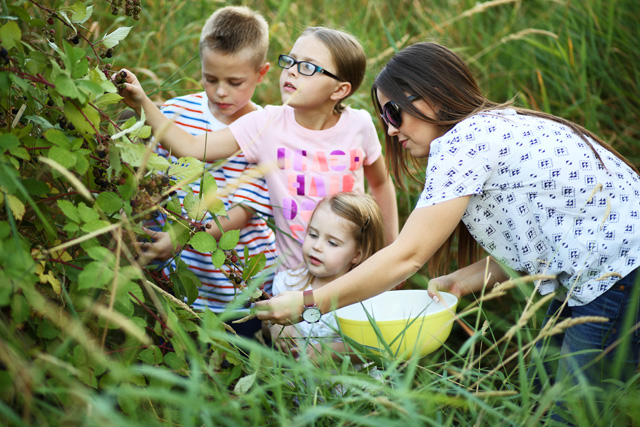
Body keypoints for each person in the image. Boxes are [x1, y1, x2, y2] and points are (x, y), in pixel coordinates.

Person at [256, 42, 640, 393]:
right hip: (602, 273)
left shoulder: (463, 141)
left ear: (432, 98)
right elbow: (536, 247)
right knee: (543, 395)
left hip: (617, 272)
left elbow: (408, 255)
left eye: (393, 112)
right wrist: (459, 281)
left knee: (573, 411)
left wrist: (309, 302)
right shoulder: (497, 126)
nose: (390, 130)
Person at [118, 26, 399, 273]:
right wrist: (142, 101)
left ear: (339, 90)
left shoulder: (359, 125)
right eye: (291, 61)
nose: (291, 70)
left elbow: (380, 182)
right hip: (294, 275)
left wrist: (390, 253)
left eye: (308, 67)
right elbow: (192, 147)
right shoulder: (266, 124)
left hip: (353, 270)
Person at [136, 6, 277, 337]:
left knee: (235, 359)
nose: (221, 91)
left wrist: (181, 236)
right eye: (210, 78)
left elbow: (242, 211)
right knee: (174, 351)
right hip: (173, 276)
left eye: (235, 81)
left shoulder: (265, 130)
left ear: (262, 73)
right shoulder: (173, 114)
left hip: (238, 283)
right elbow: (146, 173)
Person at [267, 192, 385, 362]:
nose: (317, 246)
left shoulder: (364, 297)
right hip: (297, 387)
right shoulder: (288, 283)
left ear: (357, 255)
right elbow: (266, 323)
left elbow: (376, 348)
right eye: (313, 234)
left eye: (332, 243)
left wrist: (331, 351)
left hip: (349, 387)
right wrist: (276, 327)